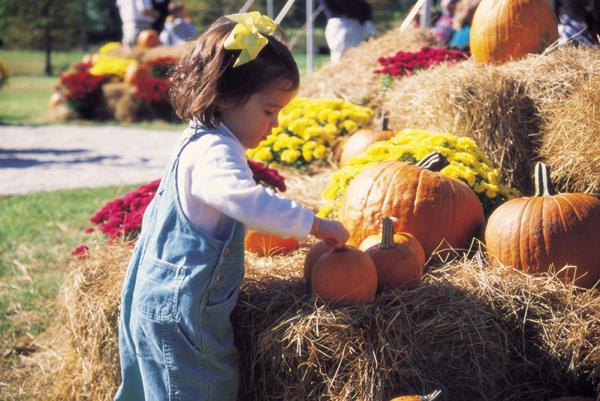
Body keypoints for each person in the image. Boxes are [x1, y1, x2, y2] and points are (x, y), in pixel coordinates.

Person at [113, 11, 349, 401]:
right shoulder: (213, 151)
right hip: (183, 313)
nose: (274, 125)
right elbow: (242, 199)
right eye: (269, 110)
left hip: (161, 299)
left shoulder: (199, 137)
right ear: (224, 96)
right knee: (204, 388)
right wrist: (314, 224)